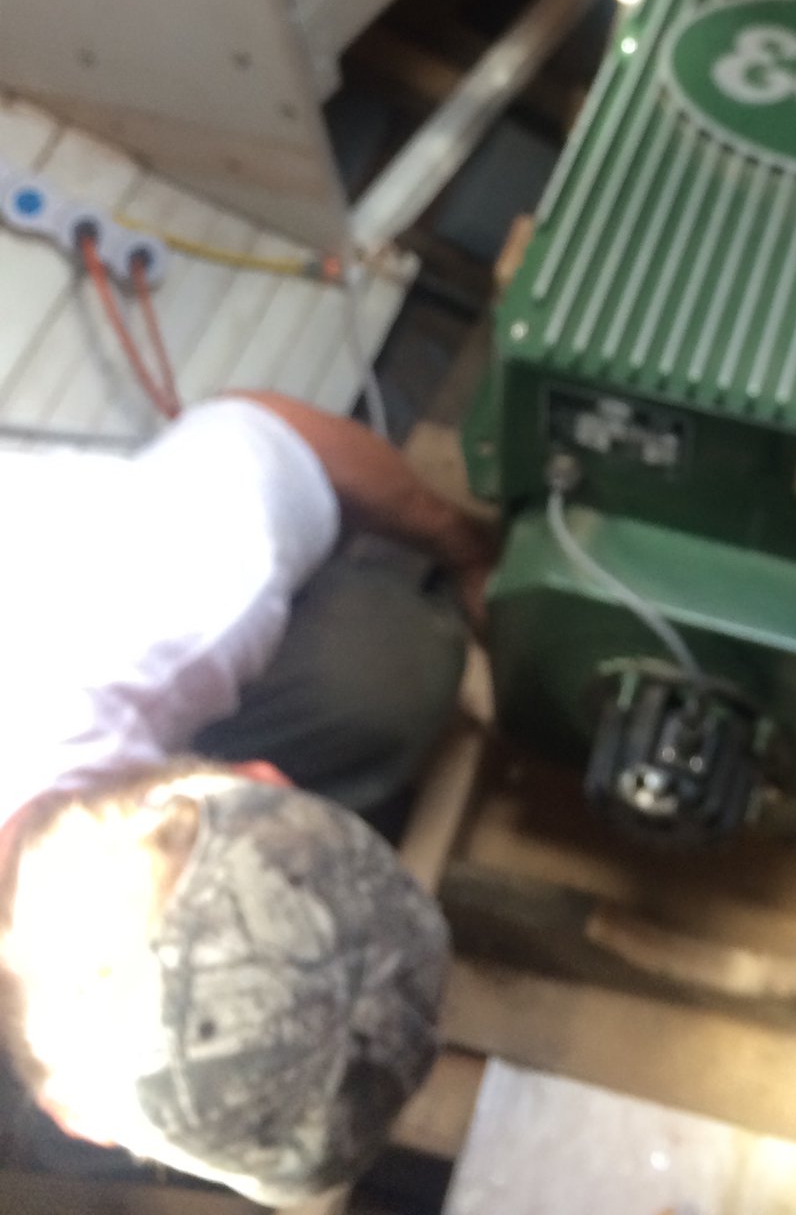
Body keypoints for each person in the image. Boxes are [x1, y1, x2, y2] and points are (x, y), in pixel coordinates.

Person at [0, 391, 496, 1204]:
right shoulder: (141, 599)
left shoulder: (159, 582)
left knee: (388, 665)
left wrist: (468, 552)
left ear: (257, 779)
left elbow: (272, 433)